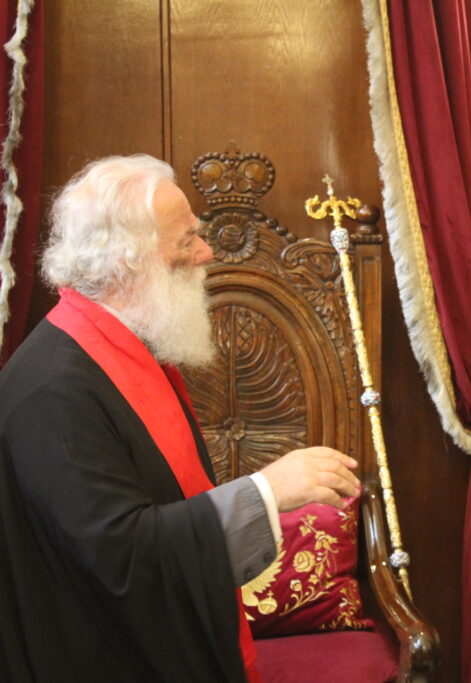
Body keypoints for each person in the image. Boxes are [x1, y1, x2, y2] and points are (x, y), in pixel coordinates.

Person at [0, 155, 361, 681]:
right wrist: (267, 492)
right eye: (187, 240)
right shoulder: (53, 390)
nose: (206, 253)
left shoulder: (118, 347)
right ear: (129, 261)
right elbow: (122, 560)